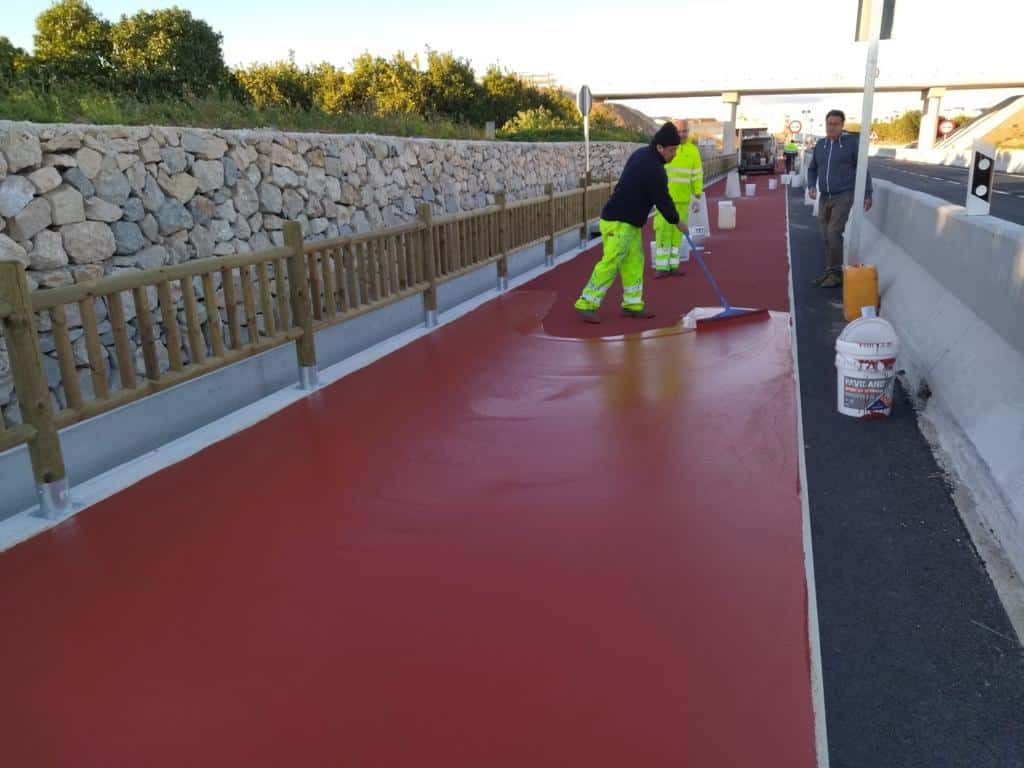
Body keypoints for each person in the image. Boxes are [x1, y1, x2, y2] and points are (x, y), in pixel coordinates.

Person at [574, 122, 688, 323]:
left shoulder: (641, 154)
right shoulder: (655, 169)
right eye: (671, 150)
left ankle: (632, 304)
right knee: (612, 261)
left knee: (634, 260)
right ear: (660, 147)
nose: (674, 154)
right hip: (618, 222)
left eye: (676, 149)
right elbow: (663, 200)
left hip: (630, 222)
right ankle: (586, 303)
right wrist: (678, 222)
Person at [806, 109, 873, 288]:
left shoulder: (851, 143)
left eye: (835, 124)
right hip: (824, 196)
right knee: (825, 234)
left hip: (844, 194)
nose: (831, 127)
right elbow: (812, 168)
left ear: (842, 126)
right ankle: (830, 270)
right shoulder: (821, 145)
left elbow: (862, 169)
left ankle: (836, 273)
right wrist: (811, 185)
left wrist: (867, 193)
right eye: (829, 124)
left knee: (833, 232)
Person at [652, 119, 703, 277]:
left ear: (688, 131)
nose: (682, 134)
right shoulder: (665, 149)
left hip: (683, 199)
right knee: (662, 232)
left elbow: (697, 173)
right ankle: (661, 267)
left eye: (684, 131)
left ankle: (673, 265)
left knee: (677, 235)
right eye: (678, 131)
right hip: (664, 199)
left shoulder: (693, 151)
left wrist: (697, 194)